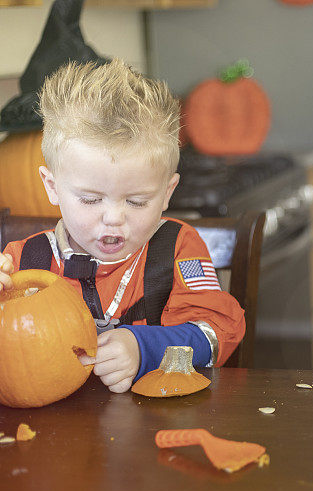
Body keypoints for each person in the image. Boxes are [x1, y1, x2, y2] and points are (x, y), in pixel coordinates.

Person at [0, 59, 245, 393]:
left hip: (154, 427)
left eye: (137, 201)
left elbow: (217, 333)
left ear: (166, 193)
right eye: (90, 199)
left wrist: (144, 348)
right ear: (52, 187)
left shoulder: (177, 248)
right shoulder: (22, 262)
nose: (114, 218)